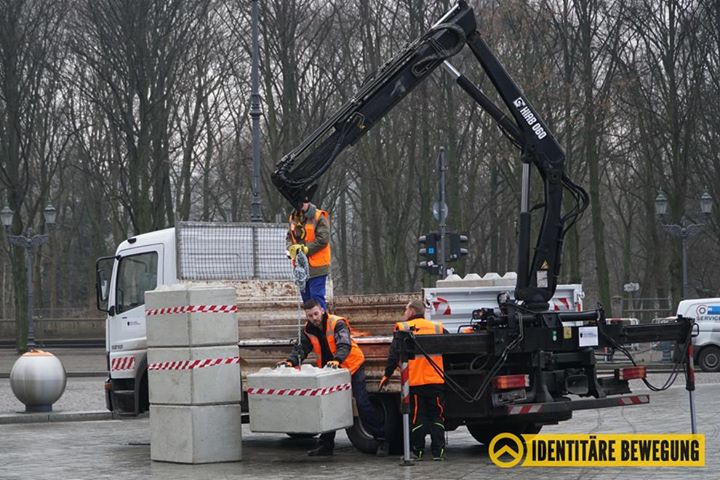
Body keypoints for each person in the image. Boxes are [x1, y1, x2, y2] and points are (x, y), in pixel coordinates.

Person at [279, 299, 385, 457]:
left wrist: (337, 360)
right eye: (310, 316)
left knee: (362, 402)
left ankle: (382, 440)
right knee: (328, 407)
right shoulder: (308, 330)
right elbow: (301, 349)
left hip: (351, 366)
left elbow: (344, 344)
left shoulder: (337, 323)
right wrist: (290, 361)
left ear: (322, 310)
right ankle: (326, 446)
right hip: (331, 370)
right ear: (306, 316)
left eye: (316, 313)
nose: (314, 318)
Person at [379, 299, 446, 461]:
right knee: (437, 416)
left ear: (411, 311)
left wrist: (387, 375)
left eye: (405, 310)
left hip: (415, 383)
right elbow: (451, 346)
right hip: (436, 380)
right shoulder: (437, 327)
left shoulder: (403, 328)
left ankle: (418, 452)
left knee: (417, 418)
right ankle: (439, 453)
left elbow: (394, 355)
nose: (404, 313)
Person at [287, 197, 330, 311]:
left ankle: (322, 326)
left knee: (316, 300)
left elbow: (323, 239)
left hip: (317, 267)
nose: (301, 205)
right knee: (307, 302)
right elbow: (289, 237)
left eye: (303, 202)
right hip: (301, 268)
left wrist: (306, 250)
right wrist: (290, 249)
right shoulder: (293, 217)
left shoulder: (318, 217)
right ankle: (312, 326)